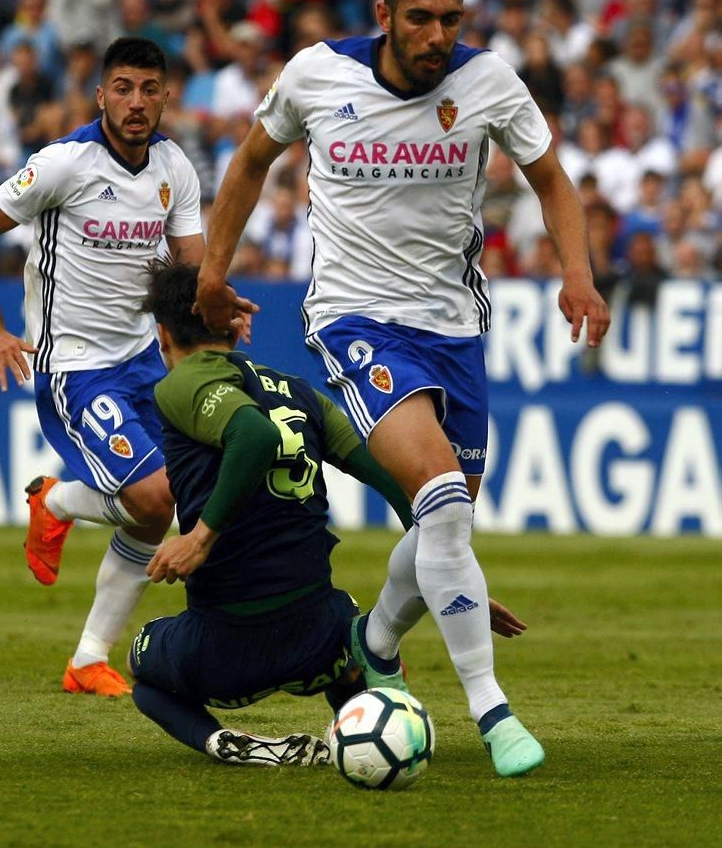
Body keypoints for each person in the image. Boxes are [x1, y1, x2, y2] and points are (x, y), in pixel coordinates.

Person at [196, 0, 610, 777]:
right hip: (354, 318)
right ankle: (492, 714)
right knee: (444, 499)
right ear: (383, 14)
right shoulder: (318, 74)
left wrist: (577, 272)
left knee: (441, 523)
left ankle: (372, 642)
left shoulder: (488, 81)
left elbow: (553, 180)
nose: (436, 36)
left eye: (450, 19)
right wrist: (210, 273)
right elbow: (248, 163)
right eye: (419, 18)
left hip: (455, 330)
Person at [130, 260, 526, 765]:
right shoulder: (302, 392)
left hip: (226, 647)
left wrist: (200, 537)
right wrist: (455, 579)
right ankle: (382, 730)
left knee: (141, 666)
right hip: (322, 641)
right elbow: (401, 486)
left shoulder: (179, 384)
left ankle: (222, 742)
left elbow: (253, 435)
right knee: (362, 639)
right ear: (235, 321)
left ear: (162, 333)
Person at [0, 37, 246, 697]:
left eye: (148, 88)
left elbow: (192, 268)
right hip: (76, 366)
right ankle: (53, 500)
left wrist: (219, 303)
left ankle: (87, 659)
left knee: (153, 512)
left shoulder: (175, 165)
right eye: (123, 87)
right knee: (155, 496)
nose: (136, 102)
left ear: (166, 95)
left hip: (144, 357)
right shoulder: (65, 164)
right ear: (101, 95)